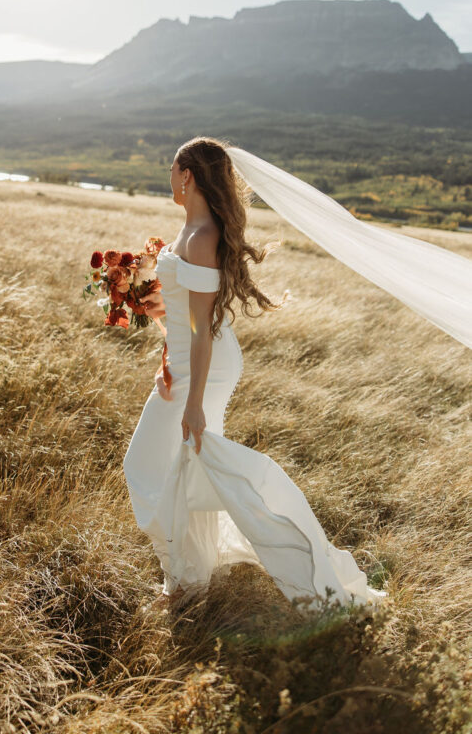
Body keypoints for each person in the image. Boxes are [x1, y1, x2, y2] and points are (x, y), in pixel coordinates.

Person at [123, 136, 389, 610]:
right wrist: (158, 329)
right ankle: (185, 582)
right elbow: (185, 320)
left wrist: (193, 403)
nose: (168, 177)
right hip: (186, 361)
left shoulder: (202, 237)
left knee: (150, 464)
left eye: (171, 168)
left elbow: (204, 330)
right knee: (177, 467)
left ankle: (200, 577)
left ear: (187, 175)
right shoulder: (190, 229)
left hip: (205, 365)